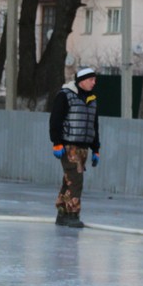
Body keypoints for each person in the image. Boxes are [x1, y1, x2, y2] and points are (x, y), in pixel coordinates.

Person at [48, 66, 100, 228]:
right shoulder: (65, 96)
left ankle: (62, 212)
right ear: (82, 81)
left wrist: (95, 148)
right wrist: (56, 143)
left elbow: (94, 125)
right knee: (76, 180)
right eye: (91, 80)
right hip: (69, 145)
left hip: (83, 146)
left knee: (69, 180)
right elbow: (55, 120)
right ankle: (72, 214)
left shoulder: (91, 99)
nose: (94, 83)